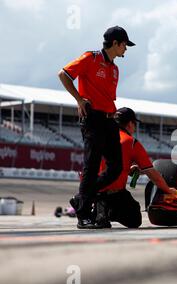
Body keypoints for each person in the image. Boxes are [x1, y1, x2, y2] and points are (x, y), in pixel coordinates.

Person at [58, 26, 135, 229]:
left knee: (116, 167)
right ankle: (83, 215)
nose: (126, 49)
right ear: (116, 43)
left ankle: (81, 198)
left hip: (110, 120)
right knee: (91, 167)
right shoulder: (90, 58)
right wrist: (79, 99)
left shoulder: (115, 69)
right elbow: (63, 74)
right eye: (125, 45)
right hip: (92, 119)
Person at [94, 107, 177, 229]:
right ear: (130, 124)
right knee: (134, 219)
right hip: (113, 193)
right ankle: (105, 210)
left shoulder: (99, 136)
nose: (134, 128)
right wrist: (168, 189)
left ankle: (91, 206)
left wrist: (127, 169)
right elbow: (152, 173)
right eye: (134, 124)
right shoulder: (131, 142)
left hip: (91, 189)